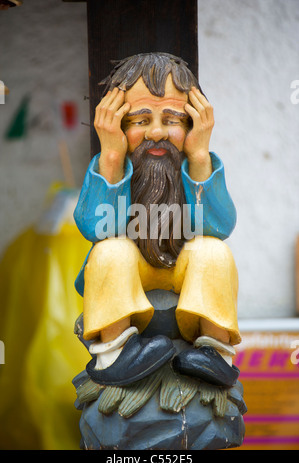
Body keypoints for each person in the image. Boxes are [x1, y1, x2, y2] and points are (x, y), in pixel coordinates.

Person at [74, 53, 240, 388]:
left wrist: (199, 157)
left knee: (213, 252)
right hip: (132, 273)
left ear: (193, 122)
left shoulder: (193, 166)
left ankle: (216, 353)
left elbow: (219, 225)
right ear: (117, 123)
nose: (156, 132)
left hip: (183, 270)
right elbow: (95, 227)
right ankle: (116, 353)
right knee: (111, 251)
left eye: (172, 119)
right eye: (140, 120)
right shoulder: (113, 165)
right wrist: (110, 155)